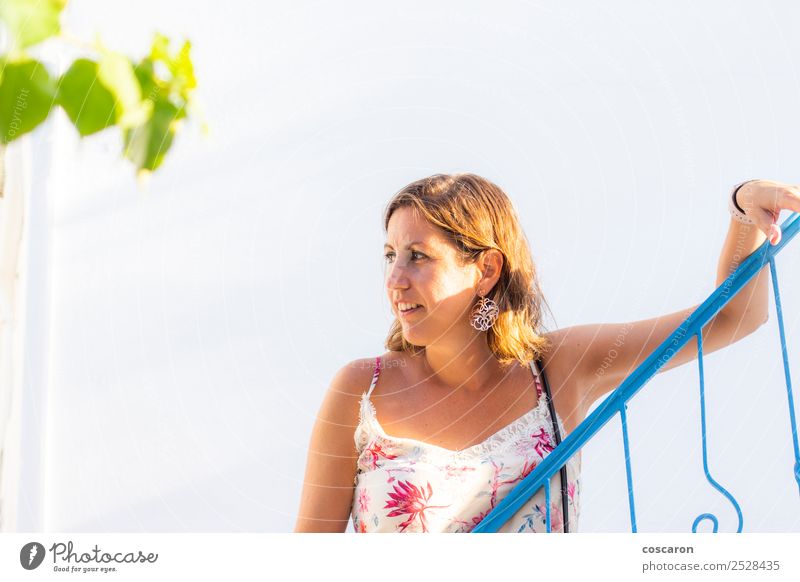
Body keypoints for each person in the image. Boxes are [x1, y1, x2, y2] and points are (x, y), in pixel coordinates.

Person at [294, 173, 799, 533]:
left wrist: (742, 208)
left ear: (486, 270)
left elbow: (733, 319)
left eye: (418, 256)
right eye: (390, 256)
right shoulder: (363, 391)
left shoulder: (558, 368)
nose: (394, 280)